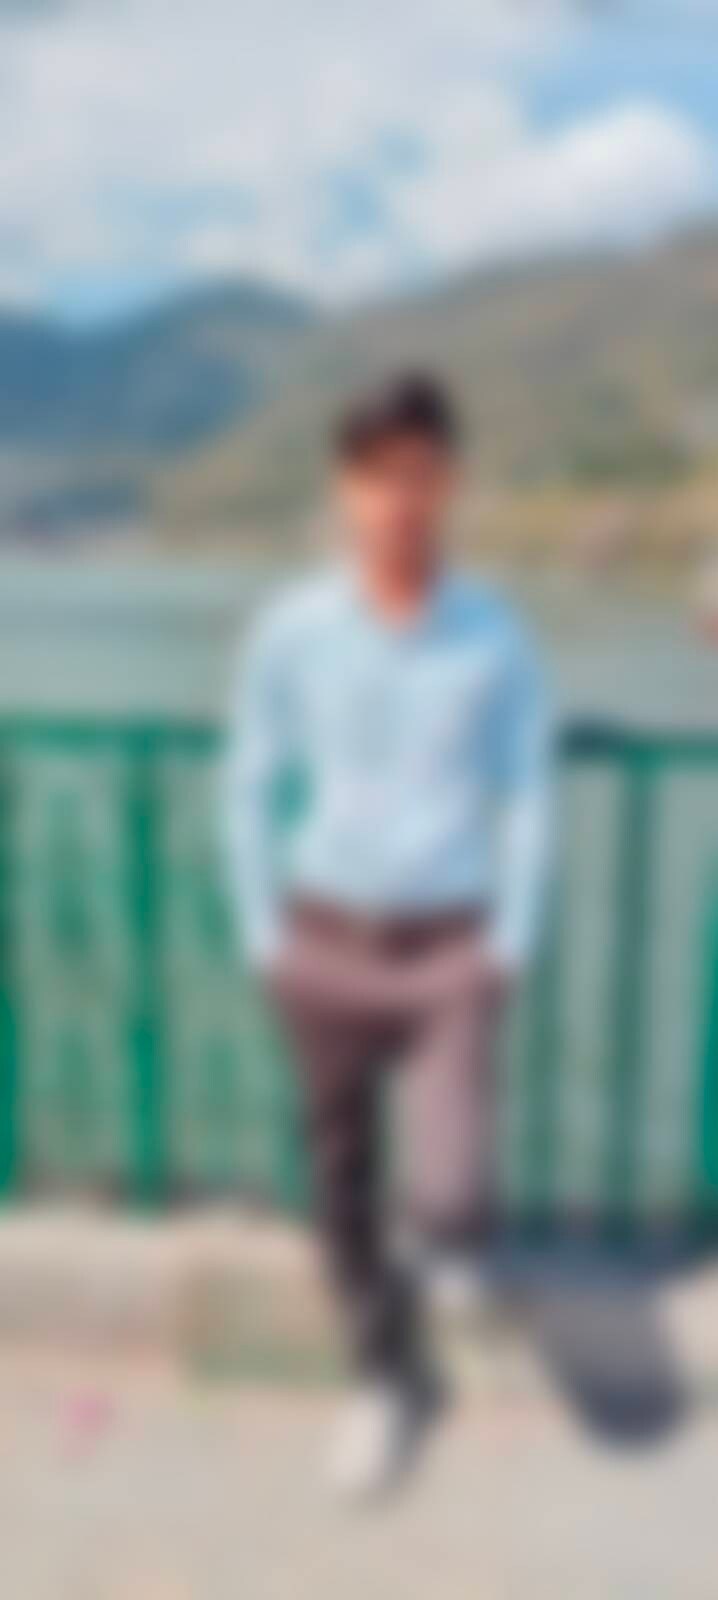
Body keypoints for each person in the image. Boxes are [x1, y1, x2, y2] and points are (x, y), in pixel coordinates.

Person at [225, 372, 552, 1499]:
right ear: (343, 488)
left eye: (418, 473)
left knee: (452, 1197)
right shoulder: (292, 629)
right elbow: (247, 781)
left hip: (450, 948)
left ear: (450, 483)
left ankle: (427, 1260)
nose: (396, 499)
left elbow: (529, 794)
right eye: (374, 475)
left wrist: (510, 943)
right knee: (341, 1175)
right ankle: (380, 1378)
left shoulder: (495, 636)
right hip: (322, 936)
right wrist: (263, 935)